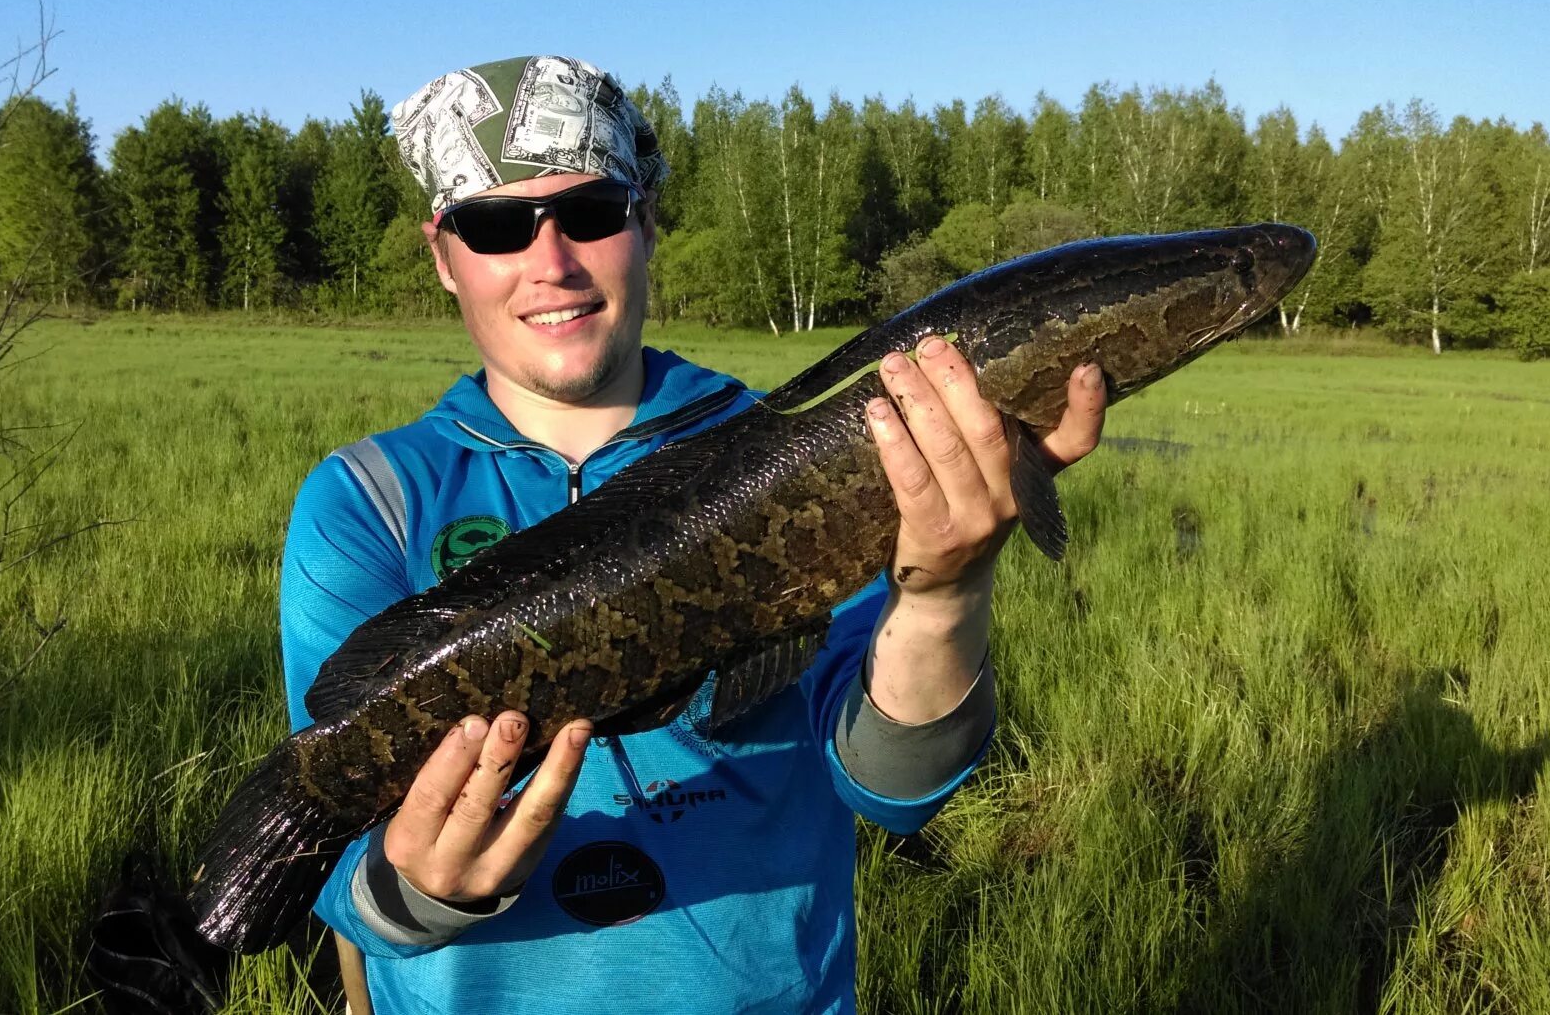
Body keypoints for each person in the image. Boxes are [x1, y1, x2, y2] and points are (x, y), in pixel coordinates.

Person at [279, 55, 1106, 1014]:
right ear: (442, 255)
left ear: (645, 224)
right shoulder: (368, 501)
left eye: (590, 211)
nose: (553, 263)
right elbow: (341, 871)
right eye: (496, 225)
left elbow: (894, 786)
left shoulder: (813, 450)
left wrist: (946, 588)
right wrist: (416, 888)